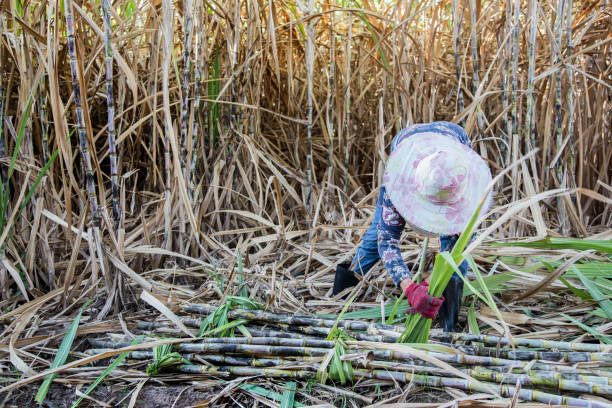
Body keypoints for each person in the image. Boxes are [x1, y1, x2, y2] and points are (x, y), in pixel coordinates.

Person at [332, 121, 492, 332]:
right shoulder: (400, 181)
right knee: (378, 232)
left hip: (452, 151)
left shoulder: (465, 184)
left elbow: (464, 242)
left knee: (453, 241)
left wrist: (435, 280)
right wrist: (410, 288)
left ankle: (448, 326)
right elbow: (387, 241)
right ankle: (339, 302)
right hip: (409, 151)